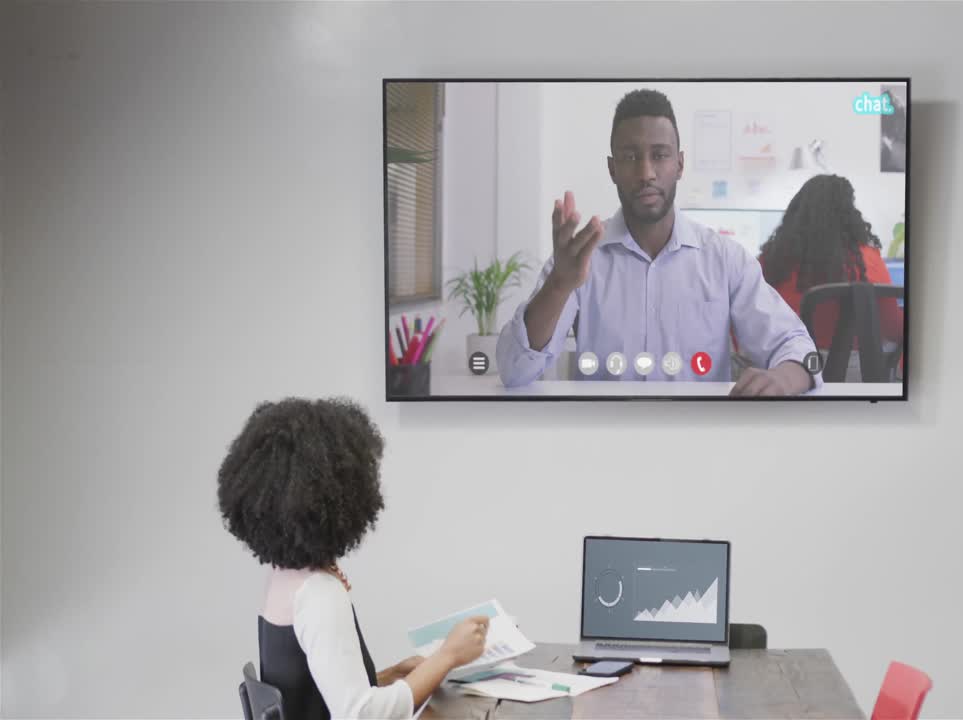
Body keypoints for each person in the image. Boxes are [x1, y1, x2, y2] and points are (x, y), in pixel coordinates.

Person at [496, 89, 819, 397]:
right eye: (630, 156)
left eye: (660, 155)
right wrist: (557, 286)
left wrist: (784, 377)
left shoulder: (726, 260)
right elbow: (514, 371)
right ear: (612, 169)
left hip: (701, 440)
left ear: (679, 164)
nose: (646, 172)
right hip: (602, 440)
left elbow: (795, 344)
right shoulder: (577, 261)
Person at [217, 397, 489, 719]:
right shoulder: (318, 593)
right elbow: (360, 714)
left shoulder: (283, 580)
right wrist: (448, 656)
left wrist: (390, 676)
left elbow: (312, 693)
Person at [759, 174, 904, 376]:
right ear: (850, 213)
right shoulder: (865, 260)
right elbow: (892, 327)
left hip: (784, 367)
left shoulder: (770, 260)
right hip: (855, 373)